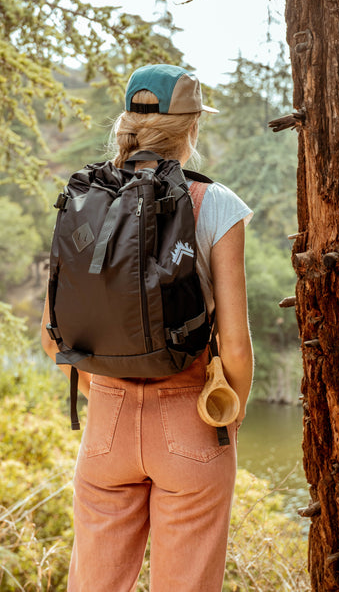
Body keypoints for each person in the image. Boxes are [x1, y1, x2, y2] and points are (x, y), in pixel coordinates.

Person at [41, 63, 254, 592]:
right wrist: (225, 423)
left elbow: (52, 337)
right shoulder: (216, 204)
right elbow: (237, 347)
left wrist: (108, 389)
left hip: (104, 427)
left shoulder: (84, 195)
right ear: (191, 128)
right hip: (191, 419)